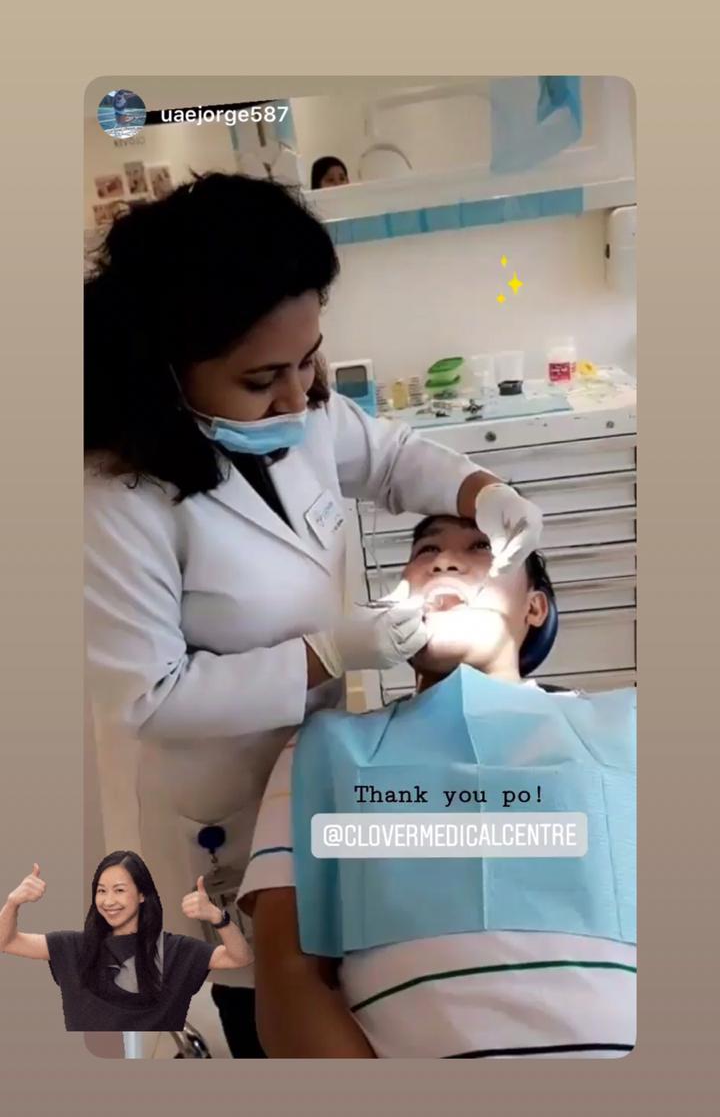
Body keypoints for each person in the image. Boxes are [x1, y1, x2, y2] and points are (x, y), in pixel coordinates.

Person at [84, 171, 542, 1055]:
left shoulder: (304, 415)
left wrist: (483, 490)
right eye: (263, 378)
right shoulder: (117, 499)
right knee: (270, 994)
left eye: (310, 360)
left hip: (324, 760)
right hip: (221, 799)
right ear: (166, 368)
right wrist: (327, 654)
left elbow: (392, 456)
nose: (300, 398)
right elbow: (146, 696)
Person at [239, 514, 637, 1059]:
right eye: (426, 550)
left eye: (482, 548)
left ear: (534, 607)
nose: (444, 562)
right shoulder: (323, 751)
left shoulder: (628, 727)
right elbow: (289, 975)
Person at [0, 851, 251, 1032]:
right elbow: (6, 941)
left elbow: (240, 958)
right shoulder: (73, 946)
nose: (108, 901)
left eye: (119, 890)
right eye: (101, 891)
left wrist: (217, 917)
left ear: (142, 894)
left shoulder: (175, 949)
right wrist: (13, 902)